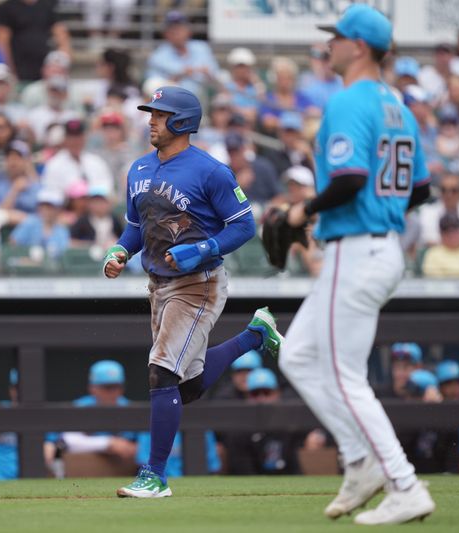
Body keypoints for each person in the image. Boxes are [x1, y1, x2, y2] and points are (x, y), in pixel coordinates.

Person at [278, 6, 436, 524]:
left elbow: (347, 179)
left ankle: (403, 482)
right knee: (297, 355)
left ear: (360, 47)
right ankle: (360, 461)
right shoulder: (400, 105)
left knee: (346, 376)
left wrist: (300, 210)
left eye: (338, 38)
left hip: (357, 249)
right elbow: (421, 190)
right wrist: (380, 212)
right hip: (380, 244)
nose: (330, 45)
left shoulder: (348, 100)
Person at [105, 85, 283, 498]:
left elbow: (243, 225)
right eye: (151, 112)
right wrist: (119, 250)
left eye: (160, 113)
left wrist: (202, 249)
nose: (151, 119)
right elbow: (136, 226)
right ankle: (255, 334)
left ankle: (155, 476)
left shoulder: (211, 171)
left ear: (182, 122)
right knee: (185, 387)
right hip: (157, 284)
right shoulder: (138, 169)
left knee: (161, 371)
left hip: (198, 283)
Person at [43, 360, 138, 475]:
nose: (113, 392)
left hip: (123, 472)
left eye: (117, 387)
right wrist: (108, 443)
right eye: (107, 387)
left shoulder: (132, 411)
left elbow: (144, 450)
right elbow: (60, 440)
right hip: (82, 472)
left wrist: (135, 448)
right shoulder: (79, 408)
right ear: (92, 388)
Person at [221, 368, 301, 475]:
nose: (261, 398)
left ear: (277, 394)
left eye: (267, 392)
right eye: (255, 393)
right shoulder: (237, 431)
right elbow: (244, 473)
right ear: (247, 396)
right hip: (250, 486)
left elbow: (296, 470)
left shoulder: (290, 426)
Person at [145, 12, 219, 98]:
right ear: (165, 34)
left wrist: (207, 74)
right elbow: (151, 85)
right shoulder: (157, 56)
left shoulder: (202, 48)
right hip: (172, 99)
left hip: (202, 93)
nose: (177, 33)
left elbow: (216, 75)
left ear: (189, 31)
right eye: (172, 30)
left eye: (180, 29)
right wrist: (179, 75)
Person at [0, 0, 71, 83]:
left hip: (45, 67)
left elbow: (62, 36)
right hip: (19, 68)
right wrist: (10, 70)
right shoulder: (7, 7)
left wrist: (62, 63)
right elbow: (2, 42)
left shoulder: (48, 5)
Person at [40, 119, 114, 197]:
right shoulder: (54, 165)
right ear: (65, 139)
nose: (75, 142)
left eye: (78, 137)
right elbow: (50, 195)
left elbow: (107, 190)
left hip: (95, 205)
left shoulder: (96, 162)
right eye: (71, 137)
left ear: (84, 138)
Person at [10, 188, 70, 259]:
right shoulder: (30, 223)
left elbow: (62, 254)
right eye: (42, 206)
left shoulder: (62, 230)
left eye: (50, 207)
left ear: (58, 209)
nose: (45, 210)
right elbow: (13, 244)